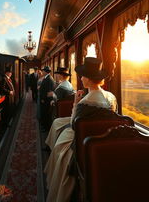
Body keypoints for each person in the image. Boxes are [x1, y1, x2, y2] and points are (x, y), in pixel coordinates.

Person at [44, 57, 117, 202]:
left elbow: (74, 124)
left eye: (83, 76)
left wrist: (76, 103)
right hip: (106, 137)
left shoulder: (85, 102)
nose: (81, 78)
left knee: (59, 148)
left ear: (89, 80)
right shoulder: (111, 97)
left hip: (85, 141)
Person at [38, 66, 55, 131]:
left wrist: (43, 99)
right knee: (44, 113)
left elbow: (49, 91)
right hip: (44, 99)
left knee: (46, 114)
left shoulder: (49, 79)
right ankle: (44, 125)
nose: (42, 72)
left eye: (43, 71)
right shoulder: (46, 78)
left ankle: (46, 127)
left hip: (46, 100)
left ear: (45, 72)